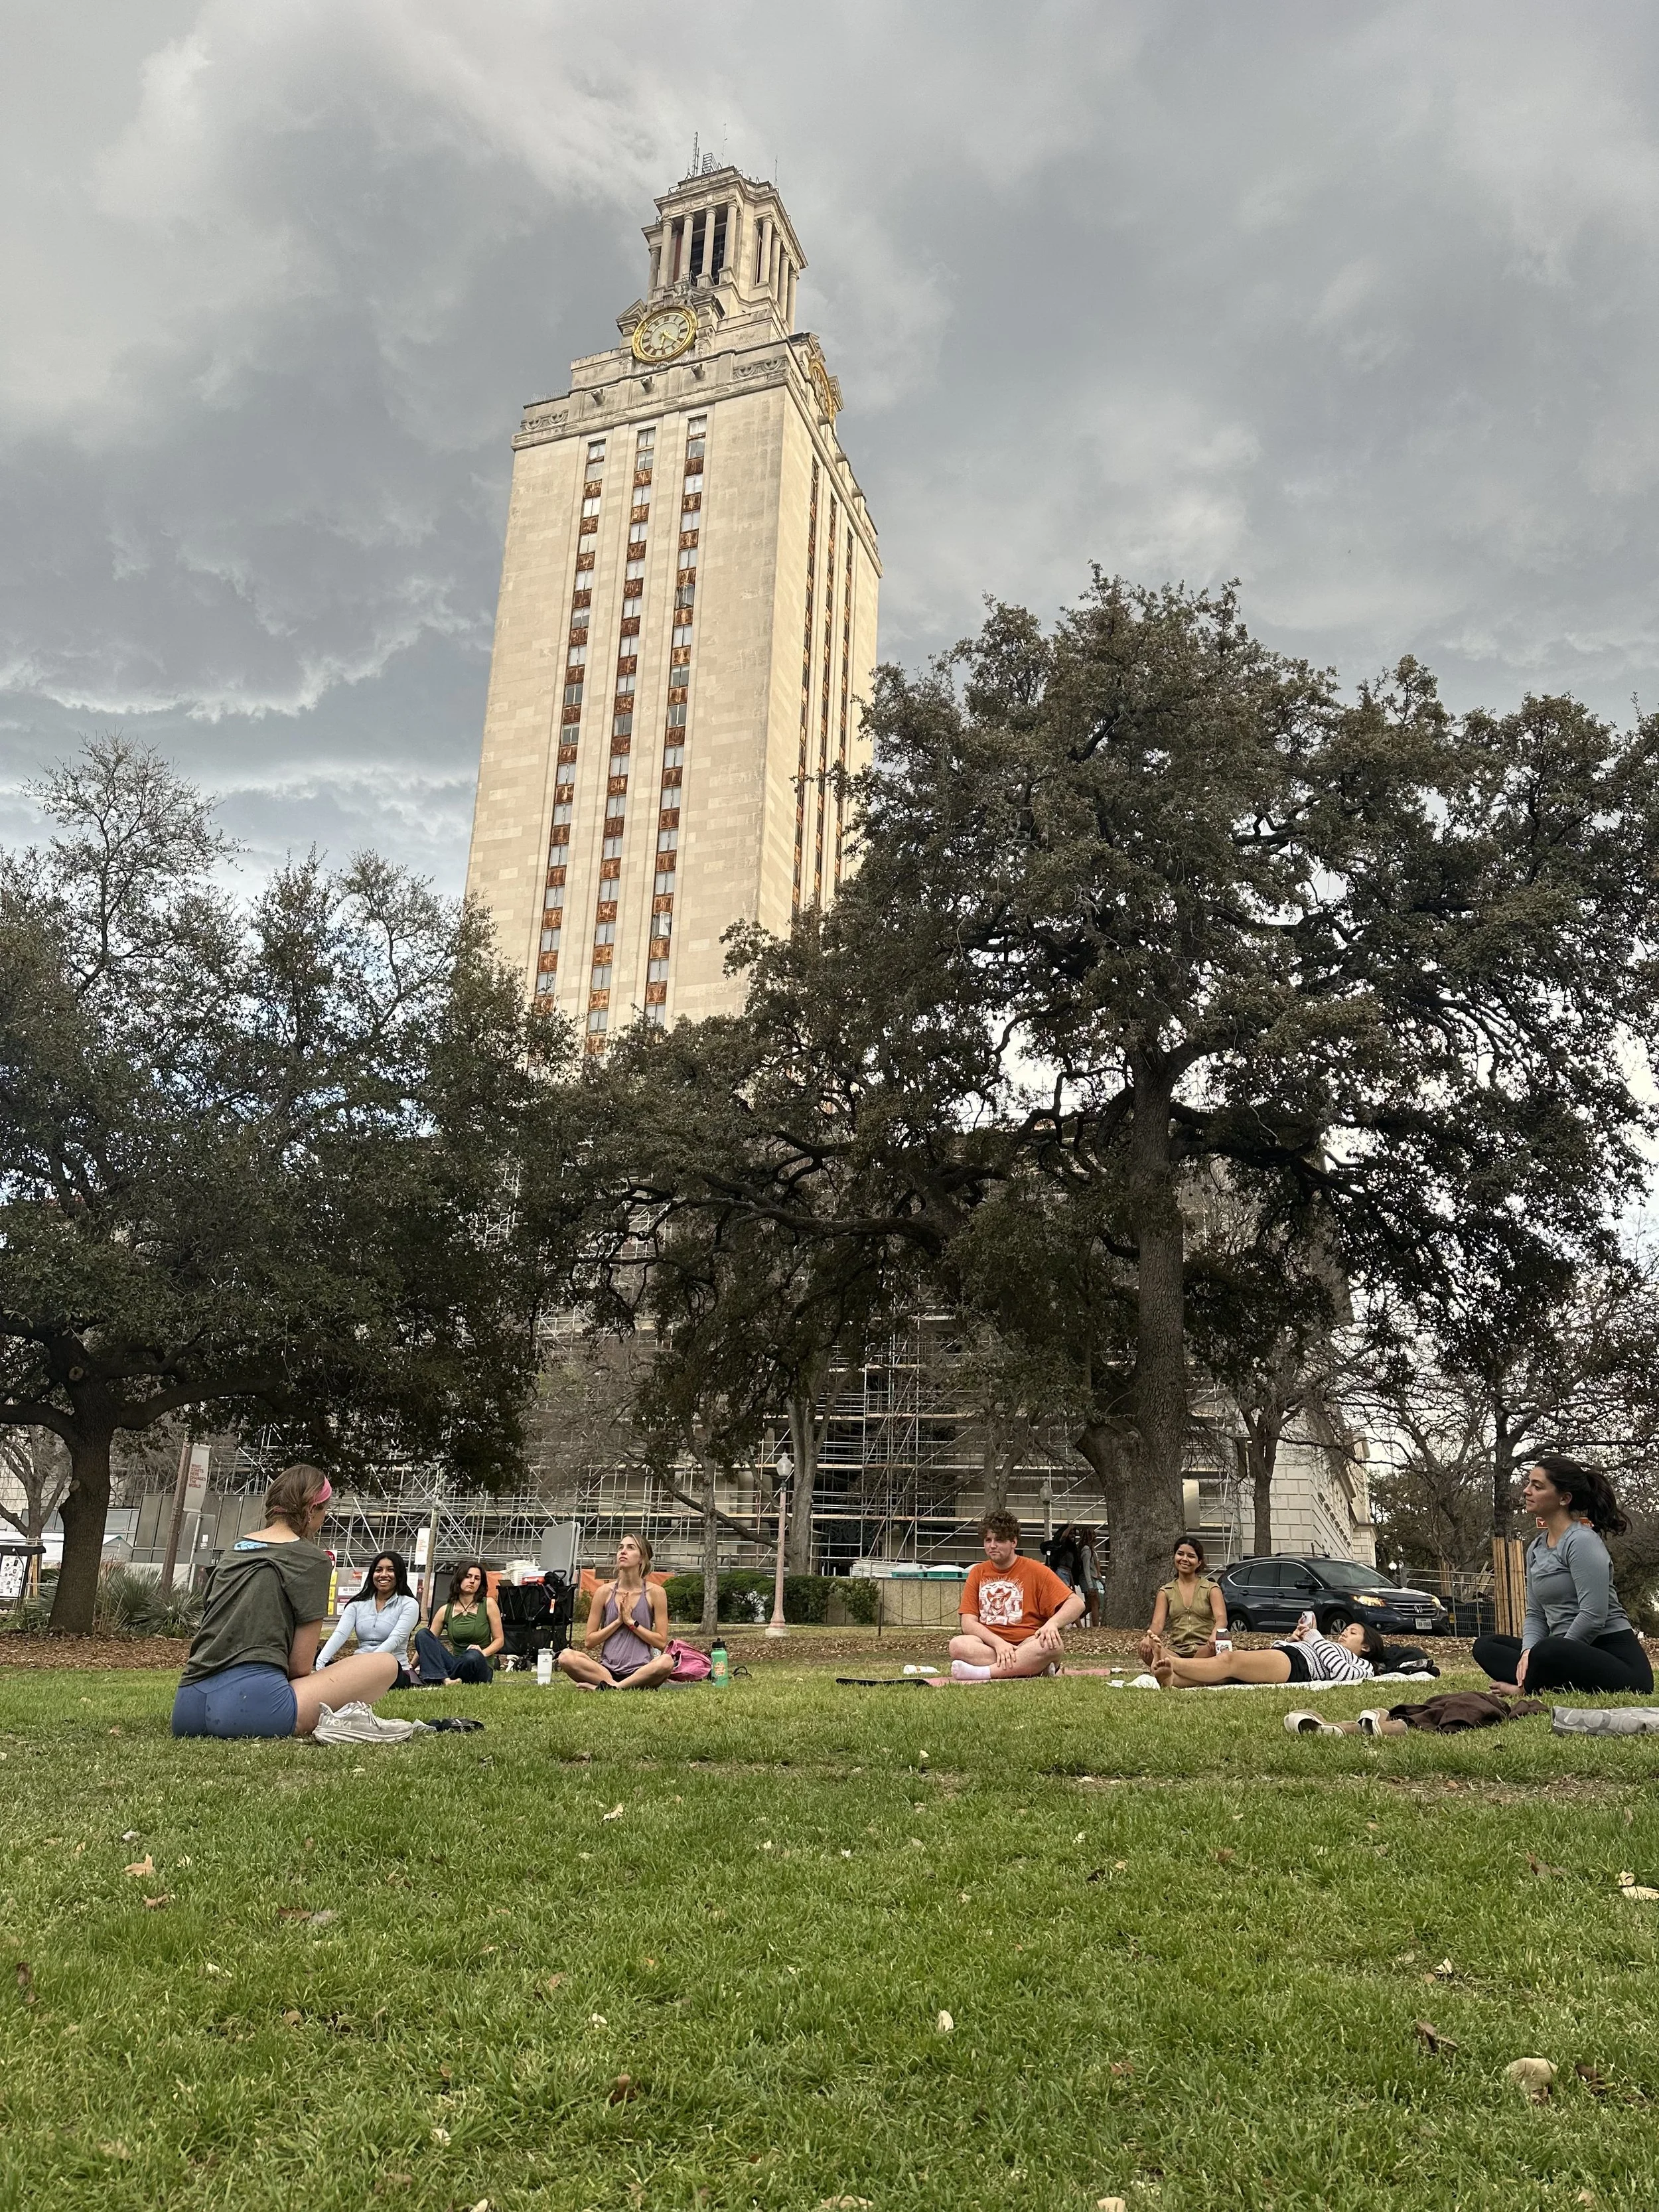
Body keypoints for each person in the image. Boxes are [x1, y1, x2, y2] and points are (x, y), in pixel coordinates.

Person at [172, 1465, 399, 1738]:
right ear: (311, 1510)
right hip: (251, 1707)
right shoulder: (313, 1559)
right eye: (324, 1511)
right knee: (386, 1664)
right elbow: (299, 1666)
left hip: (188, 1707)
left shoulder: (234, 1550)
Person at [1473, 1454, 1653, 1697]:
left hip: (1613, 1657)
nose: (1526, 1491)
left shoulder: (1582, 1541)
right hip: (1559, 1650)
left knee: (1549, 1650)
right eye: (1528, 1483)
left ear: (1564, 1499)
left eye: (1537, 1486)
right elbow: (1536, 1615)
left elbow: (1593, 1615)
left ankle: (1529, 1687)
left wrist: (1549, 1656)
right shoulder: (1536, 1549)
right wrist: (1528, 1653)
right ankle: (1547, 1677)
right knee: (1486, 1646)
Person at [950, 1510, 1086, 1681]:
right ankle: (1032, 1668)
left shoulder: (1036, 1570)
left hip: (1029, 1643)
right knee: (958, 1645)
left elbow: (1076, 1604)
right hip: (990, 1646)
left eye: (999, 1540)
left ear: (1014, 1542)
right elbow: (968, 1624)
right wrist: (999, 1644)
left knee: (1052, 1646)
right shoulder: (977, 1572)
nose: (992, 1545)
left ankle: (983, 1673)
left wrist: (1052, 1624)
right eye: (988, 1540)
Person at [557, 1534, 677, 1690]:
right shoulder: (604, 1592)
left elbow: (661, 1643)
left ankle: (610, 1688)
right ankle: (616, 1686)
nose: (623, 1551)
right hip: (605, 1671)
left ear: (642, 1558)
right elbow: (589, 1642)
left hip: (641, 1671)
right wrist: (618, 1621)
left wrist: (631, 1623)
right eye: (621, 1548)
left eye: (630, 1548)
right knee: (566, 1656)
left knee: (666, 1661)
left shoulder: (656, 1593)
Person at [1150, 1611, 1385, 1690]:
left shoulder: (1365, 1666)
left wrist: (1314, 1637)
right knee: (1227, 1677)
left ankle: (1175, 1662)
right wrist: (1292, 1640)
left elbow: (1340, 1673)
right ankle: (1173, 1680)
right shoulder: (1328, 1646)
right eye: (1347, 1630)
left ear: (1366, 1646)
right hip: (1291, 1657)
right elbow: (1276, 1650)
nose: (1345, 1633)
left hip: (1299, 1666)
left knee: (1231, 1660)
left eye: (1353, 1633)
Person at [316, 1552, 419, 1686]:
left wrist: (367, 1665)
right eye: (378, 1570)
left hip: (392, 1668)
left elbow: (396, 1638)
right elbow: (340, 1634)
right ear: (372, 1575)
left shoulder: (409, 1604)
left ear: (399, 1575)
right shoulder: (356, 1604)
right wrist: (320, 1663)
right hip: (358, 1665)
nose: (383, 1575)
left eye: (391, 1570)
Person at [1139, 1536, 1226, 1664]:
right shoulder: (1166, 1591)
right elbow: (1157, 1624)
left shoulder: (1211, 1588)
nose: (1184, 1559)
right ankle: (1188, 1671)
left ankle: (1181, 1671)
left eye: (1191, 1556)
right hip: (1176, 1653)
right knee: (1147, 1648)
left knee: (1218, 1649)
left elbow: (1221, 1618)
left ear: (1199, 1562)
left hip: (1205, 1650)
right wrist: (1149, 1638)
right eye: (1180, 1554)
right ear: (1175, 1557)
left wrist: (1215, 1634)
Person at [414, 1562, 504, 1686]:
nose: (472, 1581)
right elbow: (427, 1644)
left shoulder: (488, 1604)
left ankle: (439, 1678)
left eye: (477, 1578)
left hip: (480, 1665)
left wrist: (483, 1653)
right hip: (456, 1665)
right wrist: (411, 1667)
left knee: (472, 1656)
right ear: (459, 1579)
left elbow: (499, 1640)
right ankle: (445, 1680)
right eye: (468, 1576)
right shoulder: (445, 1610)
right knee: (423, 1633)